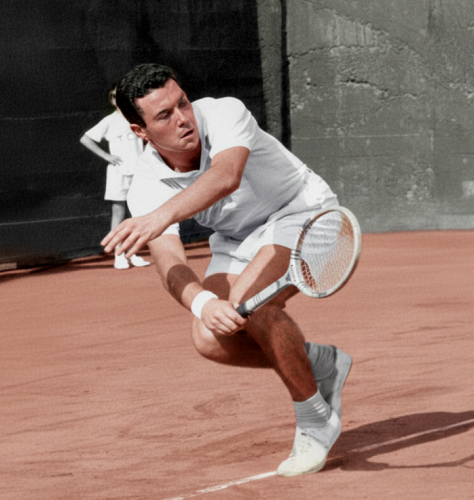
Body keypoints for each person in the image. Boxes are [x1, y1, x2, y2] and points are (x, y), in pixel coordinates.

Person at [100, 64, 353, 477]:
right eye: (164, 115)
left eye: (182, 103)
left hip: (304, 213)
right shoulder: (145, 183)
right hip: (239, 239)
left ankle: (315, 419)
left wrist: (159, 217)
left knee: (253, 302)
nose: (183, 118)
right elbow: (169, 261)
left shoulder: (223, 112)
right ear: (139, 131)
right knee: (209, 337)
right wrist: (202, 303)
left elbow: (226, 176)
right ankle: (321, 363)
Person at [80, 87, 151, 270]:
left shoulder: (136, 118)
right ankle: (119, 255)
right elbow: (86, 139)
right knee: (118, 213)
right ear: (112, 100)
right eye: (115, 97)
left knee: (137, 213)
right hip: (119, 173)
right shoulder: (109, 121)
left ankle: (133, 253)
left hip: (139, 173)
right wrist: (106, 156)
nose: (119, 100)